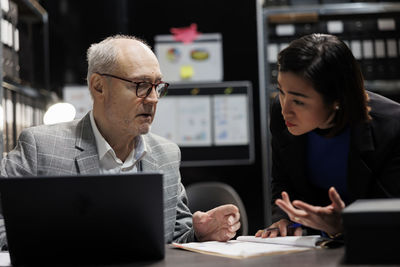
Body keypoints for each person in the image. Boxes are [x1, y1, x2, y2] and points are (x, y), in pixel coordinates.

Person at [0, 35, 240, 247]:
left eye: (158, 87)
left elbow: (175, 235)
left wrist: (198, 234)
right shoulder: (41, 147)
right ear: (98, 86)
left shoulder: (166, 154)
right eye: (142, 86)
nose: (154, 99)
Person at [256, 33, 400, 239]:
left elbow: (391, 221)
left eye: (299, 101)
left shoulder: (392, 128)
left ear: (336, 99)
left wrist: (342, 227)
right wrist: (284, 219)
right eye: (281, 91)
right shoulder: (282, 115)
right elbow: (283, 181)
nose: (285, 109)